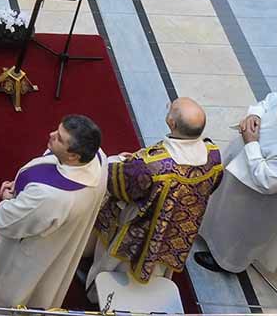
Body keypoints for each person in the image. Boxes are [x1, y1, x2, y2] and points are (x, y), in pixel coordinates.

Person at [0, 116, 107, 310]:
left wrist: (8, 200)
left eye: (59, 137)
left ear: (73, 156)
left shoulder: (50, 197)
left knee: (4, 289)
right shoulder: (99, 157)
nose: (51, 135)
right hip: (62, 233)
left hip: (31, 249)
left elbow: (11, 223)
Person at [91, 98, 223, 287]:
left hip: (143, 227)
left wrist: (122, 162)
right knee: (158, 267)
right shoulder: (213, 153)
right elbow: (214, 184)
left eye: (171, 107)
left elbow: (119, 186)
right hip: (180, 225)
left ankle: (98, 290)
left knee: (116, 263)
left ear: (172, 123)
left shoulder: (154, 166)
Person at [195, 87, 277, 276]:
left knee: (237, 227)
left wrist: (251, 143)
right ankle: (207, 233)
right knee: (219, 207)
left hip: (253, 197)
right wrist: (253, 115)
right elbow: (268, 101)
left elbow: (268, 181)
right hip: (236, 173)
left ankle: (226, 261)